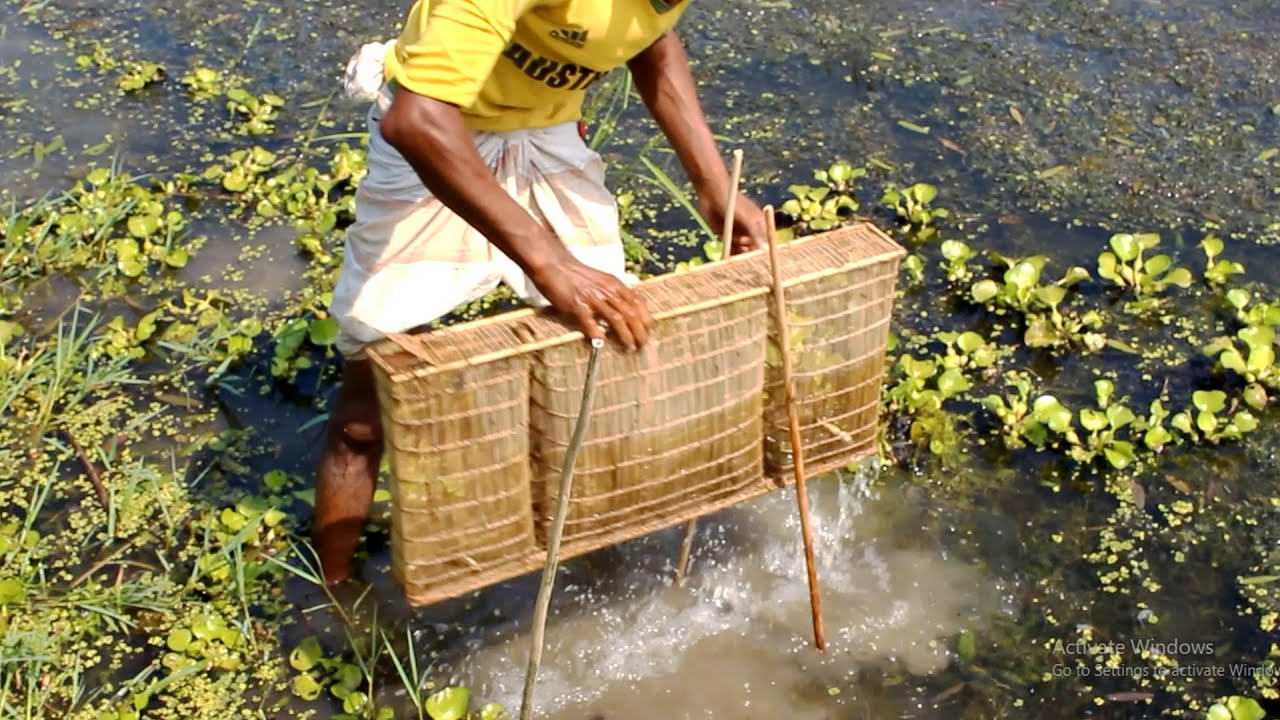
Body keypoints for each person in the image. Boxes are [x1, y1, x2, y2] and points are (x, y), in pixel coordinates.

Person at [314, 0, 770, 585]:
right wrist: (551, 262)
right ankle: (333, 592)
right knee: (367, 405)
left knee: (604, 350)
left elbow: (651, 41)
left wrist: (713, 185)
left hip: (547, 135)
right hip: (439, 134)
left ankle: (596, 557)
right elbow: (417, 119)